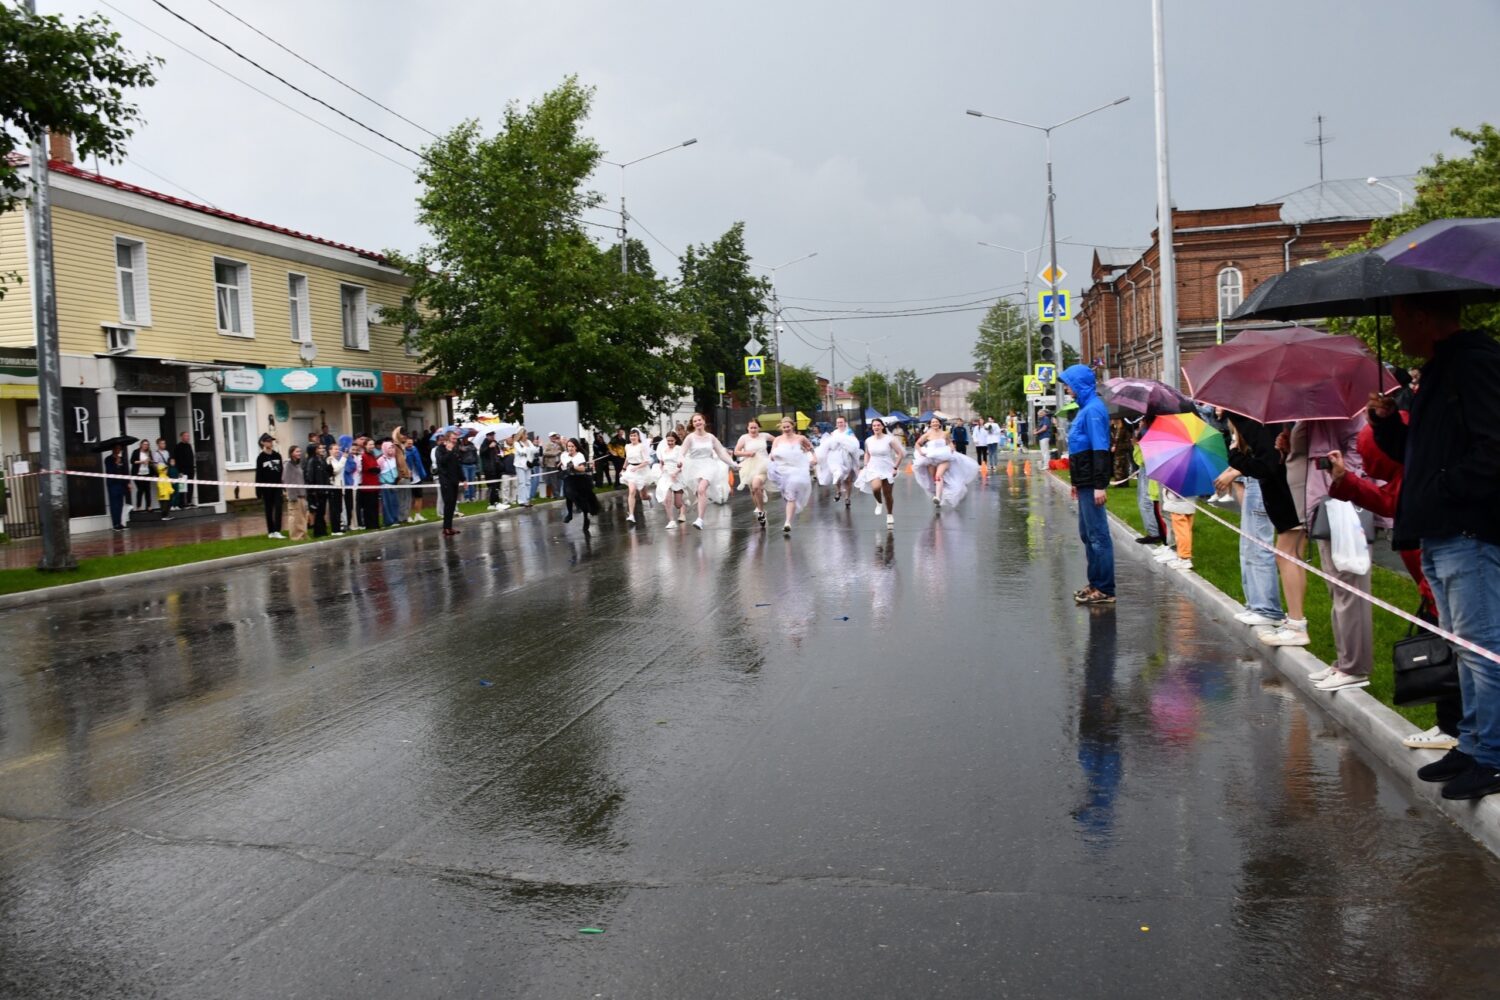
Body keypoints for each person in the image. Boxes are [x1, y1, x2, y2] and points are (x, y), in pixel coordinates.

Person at [1371, 295, 1500, 800]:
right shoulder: (1439, 371)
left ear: (1421, 317)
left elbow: (1493, 447)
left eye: (1400, 318)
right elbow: (1421, 456)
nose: (1397, 329)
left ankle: (1490, 755)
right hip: (1443, 531)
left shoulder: (1474, 364)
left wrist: (1447, 490)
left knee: (1481, 648)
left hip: (1467, 530)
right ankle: (1471, 743)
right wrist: (1386, 424)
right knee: (1464, 648)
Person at [1326, 422, 1451, 749]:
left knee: (1455, 652)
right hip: (1432, 585)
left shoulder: (1417, 476)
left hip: (1440, 583)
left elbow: (1391, 501)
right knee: (1447, 649)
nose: (1367, 462)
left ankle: (1458, 728)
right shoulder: (1405, 476)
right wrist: (1346, 479)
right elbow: (1387, 500)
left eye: (1371, 454)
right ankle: (1453, 724)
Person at [1058, 366, 1115, 605]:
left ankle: (1105, 588)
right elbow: (1079, 451)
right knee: (1087, 534)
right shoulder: (1085, 409)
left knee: (1098, 536)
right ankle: (1094, 583)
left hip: (1092, 483)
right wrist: (1076, 483)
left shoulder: (1093, 410)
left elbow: (1100, 449)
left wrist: (1099, 485)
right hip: (1084, 483)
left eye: (1069, 384)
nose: (1066, 388)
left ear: (1080, 383)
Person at [679, 413, 737, 530]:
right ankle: (700, 515)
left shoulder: (711, 437)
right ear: (693, 424)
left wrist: (733, 464)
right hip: (694, 466)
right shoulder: (690, 438)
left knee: (701, 489)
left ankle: (700, 519)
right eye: (695, 421)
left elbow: (721, 452)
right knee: (700, 492)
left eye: (699, 420)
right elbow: (682, 452)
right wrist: (680, 461)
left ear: (704, 421)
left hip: (709, 465)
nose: (698, 422)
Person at [912, 416, 980, 509]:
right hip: (931, 458)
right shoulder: (927, 434)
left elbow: (950, 443)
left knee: (938, 476)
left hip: (944, 458)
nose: (935, 424)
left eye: (936, 422)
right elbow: (917, 444)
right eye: (933, 422)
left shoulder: (944, 434)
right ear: (930, 424)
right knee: (933, 480)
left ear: (939, 423)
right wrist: (920, 451)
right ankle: (938, 496)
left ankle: (938, 497)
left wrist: (952, 449)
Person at [767, 416, 817, 533]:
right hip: (783, 469)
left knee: (791, 492)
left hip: (798, 468)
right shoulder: (778, 439)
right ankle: (789, 518)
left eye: (788, 427)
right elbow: (772, 452)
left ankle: (787, 522)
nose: (786, 429)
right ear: (781, 428)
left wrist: (814, 457)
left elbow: (810, 447)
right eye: (784, 427)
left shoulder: (800, 438)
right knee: (788, 495)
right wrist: (771, 458)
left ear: (792, 426)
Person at [854, 417, 905, 529]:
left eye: (878, 425)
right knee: (876, 488)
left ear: (882, 426)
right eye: (874, 426)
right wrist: (866, 465)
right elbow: (867, 454)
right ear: (872, 428)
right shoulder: (869, 440)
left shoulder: (889, 439)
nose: (876, 427)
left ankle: (890, 514)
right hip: (873, 467)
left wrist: (895, 467)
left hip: (887, 467)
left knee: (888, 494)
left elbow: (900, 453)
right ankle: (878, 502)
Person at [733, 418, 776, 526]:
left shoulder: (764, 435)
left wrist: (773, 453)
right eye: (751, 427)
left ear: (759, 427)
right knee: (753, 490)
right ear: (747, 428)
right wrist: (747, 453)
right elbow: (736, 452)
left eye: (755, 427)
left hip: (763, 465)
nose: (753, 430)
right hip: (749, 466)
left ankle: (761, 511)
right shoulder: (744, 438)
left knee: (756, 485)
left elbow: (777, 441)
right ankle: (760, 508)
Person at [815, 415, 860, 507]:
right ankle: (838, 491)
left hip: (846, 457)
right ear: (836, 424)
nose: (840, 424)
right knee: (837, 475)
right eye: (838, 422)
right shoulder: (834, 433)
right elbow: (828, 444)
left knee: (848, 479)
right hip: (835, 457)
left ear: (845, 423)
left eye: (841, 422)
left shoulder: (849, 432)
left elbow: (855, 444)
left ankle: (847, 498)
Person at [561, 437, 600, 531]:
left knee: (582, 499)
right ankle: (570, 514)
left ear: (576, 447)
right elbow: (565, 464)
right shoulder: (564, 455)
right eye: (568, 446)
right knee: (568, 494)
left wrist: (574, 466)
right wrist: (568, 466)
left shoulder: (580, 456)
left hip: (580, 478)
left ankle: (586, 517)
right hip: (569, 478)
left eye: (572, 446)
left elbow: (582, 468)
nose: (570, 448)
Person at [620, 429, 658, 525]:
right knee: (632, 491)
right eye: (631, 435)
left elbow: (647, 461)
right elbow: (627, 459)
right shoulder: (627, 446)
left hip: (642, 470)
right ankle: (631, 515)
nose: (632, 437)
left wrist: (637, 467)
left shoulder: (642, 447)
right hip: (631, 470)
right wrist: (623, 469)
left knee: (642, 496)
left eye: (634, 435)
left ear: (638, 437)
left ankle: (649, 497)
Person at [654, 430, 687, 527]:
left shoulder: (679, 449)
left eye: (672, 441)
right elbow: (662, 462)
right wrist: (661, 467)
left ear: (676, 440)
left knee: (678, 504)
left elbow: (683, 464)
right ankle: (671, 521)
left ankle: (682, 509)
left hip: (677, 476)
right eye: (668, 441)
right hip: (666, 476)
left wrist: (675, 472)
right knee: (667, 499)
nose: (670, 443)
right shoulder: (664, 450)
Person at [255, 435, 285, 539]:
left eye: (271, 441)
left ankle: (277, 530)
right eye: (267, 441)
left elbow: (281, 472)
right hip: (266, 488)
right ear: (263, 443)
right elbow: (258, 474)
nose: (270, 443)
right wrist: (258, 490)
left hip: (277, 486)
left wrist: (283, 485)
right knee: (268, 509)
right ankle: (271, 531)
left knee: (278, 507)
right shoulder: (260, 458)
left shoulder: (277, 456)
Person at [434, 430, 463, 535]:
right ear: (447, 439)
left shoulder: (454, 449)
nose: (455, 441)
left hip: (454, 480)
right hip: (446, 480)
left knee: (452, 504)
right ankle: (446, 528)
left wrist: (463, 478)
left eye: (456, 439)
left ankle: (449, 527)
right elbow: (441, 461)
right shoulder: (440, 449)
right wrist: (449, 451)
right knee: (448, 504)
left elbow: (457, 465)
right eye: (453, 439)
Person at [283, 444, 309, 541]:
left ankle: (302, 535)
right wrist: (292, 496)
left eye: (300, 451)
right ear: (291, 453)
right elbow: (287, 480)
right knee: (295, 517)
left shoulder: (298, 465)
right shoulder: (288, 465)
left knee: (302, 517)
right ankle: (295, 536)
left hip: (302, 495)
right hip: (294, 496)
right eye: (297, 451)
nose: (299, 453)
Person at [306, 442, 332, 538]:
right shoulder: (312, 461)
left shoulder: (321, 460)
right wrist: (312, 490)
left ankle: (322, 529)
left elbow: (327, 473)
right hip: (317, 491)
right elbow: (310, 476)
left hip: (324, 489)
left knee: (322, 511)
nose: (320, 450)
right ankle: (318, 531)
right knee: (319, 511)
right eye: (318, 448)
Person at [357, 437, 382, 530]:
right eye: (370, 444)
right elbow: (369, 468)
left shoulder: (372, 455)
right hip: (367, 484)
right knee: (369, 506)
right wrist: (375, 469)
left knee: (375, 505)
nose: (372, 446)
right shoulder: (363, 456)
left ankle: (376, 523)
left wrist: (376, 469)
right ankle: (370, 525)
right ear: (365, 446)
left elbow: (377, 467)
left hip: (375, 483)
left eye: (373, 444)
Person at [105, 443, 131, 530]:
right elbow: (109, 471)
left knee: (120, 504)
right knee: (114, 504)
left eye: (120, 448)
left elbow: (125, 471)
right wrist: (116, 463)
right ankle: (115, 524)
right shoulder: (108, 459)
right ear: (113, 449)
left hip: (121, 484)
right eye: (117, 448)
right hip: (113, 484)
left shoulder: (123, 459)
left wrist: (128, 482)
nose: (118, 450)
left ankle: (119, 523)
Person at [377, 441, 402, 528]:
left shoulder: (394, 458)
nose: (391, 450)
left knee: (394, 502)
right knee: (386, 503)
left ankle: (395, 519)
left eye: (392, 447)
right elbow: (378, 473)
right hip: (385, 484)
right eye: (389, 448)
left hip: (393, 483)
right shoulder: (381, 460)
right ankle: (388, 521)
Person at [326, 442, 347, 535]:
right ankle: (335, 530)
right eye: (335, 449)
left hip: (339, 487)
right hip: (334, 487)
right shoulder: (329, 460)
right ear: (330, 450)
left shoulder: (336, 460)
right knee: (335, 509)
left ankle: (339, 527)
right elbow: (335, 471)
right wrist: (344, 458)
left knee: (339, 509)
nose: (337, 451)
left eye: (338, 449)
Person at [130, 440, 155, 511]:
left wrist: (150, 461)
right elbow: (132, 461)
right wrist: (142, 462)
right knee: (140, 490)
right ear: (141, 445)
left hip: (147, 473)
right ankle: (139, 506)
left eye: (147, 444)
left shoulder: (149, 452)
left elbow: (151, 463)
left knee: (147, 490)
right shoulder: (136, 452)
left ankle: (149, 506)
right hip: (138, 474)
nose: (145, 446)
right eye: (144, 444)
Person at [173, 431, 195, 507]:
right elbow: (176, 459)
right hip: (182, 470)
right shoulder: (178, 446)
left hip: (190, 469)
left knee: (190, 486)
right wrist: (179, 471)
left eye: (188, 436)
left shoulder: (189, 446)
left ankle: (189, 501)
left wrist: (193, 468)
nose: (187, 437)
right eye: (186, 436)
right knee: (182, 486)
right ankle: (181, 503)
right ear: (181, 437)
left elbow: (191, 457)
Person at [458, 432, 479, 502]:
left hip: (472, 464)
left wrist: (476, 463)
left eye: (466, 438)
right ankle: (467, 497)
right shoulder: (459, 446)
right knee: (466, 481)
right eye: (464, 438)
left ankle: (472, 496)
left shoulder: (471, 445)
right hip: (464, 465)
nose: (465, 439)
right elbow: (460, 452)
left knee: (472, 481)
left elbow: (474, 451)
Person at [542, 432, 563, 499]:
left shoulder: (558, 444)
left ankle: (558, 494)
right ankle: (556, 495)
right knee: (553, 480)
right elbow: (544, 453)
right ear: (550, 437)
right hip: (551, 464)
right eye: (552, 436)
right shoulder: (547, 444)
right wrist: (555, 453)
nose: (554, 437)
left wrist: (561, 444)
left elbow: (564, 450)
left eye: (555, 436)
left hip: (559, 463)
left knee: (559, 480)